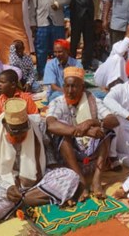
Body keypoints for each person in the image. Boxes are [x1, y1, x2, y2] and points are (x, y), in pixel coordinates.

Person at [0, 98, 80, 220]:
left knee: (71, 176)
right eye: (14, 133)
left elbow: (52, 136)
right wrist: (7, 189)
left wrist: (53, 166)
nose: (19, 137)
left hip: (38, 180)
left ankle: (23, 202)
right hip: (9, 187)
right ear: (5, 125)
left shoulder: (36, 124)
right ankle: (34, 199)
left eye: (23, 132)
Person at [46, 67, 119, 200]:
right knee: (61, 131)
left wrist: (92, 122)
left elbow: (114, 120)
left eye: (74, 86)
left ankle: (97, 180)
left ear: (82, 87)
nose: (69, 91)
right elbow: (50, 124)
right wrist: (81, 131)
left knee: (106, 130)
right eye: (67, 86)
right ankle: (81, 181)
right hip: (69, 158)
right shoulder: (57, 102)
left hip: (91, 156)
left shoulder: (93, 101)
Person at [28, 0, 71, 77]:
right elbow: (32, 3)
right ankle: (42, 73)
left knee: (59, 49)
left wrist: (58, 3)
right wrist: (32, 22)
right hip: (42, 21)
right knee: (41, 49)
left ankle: (58, 72)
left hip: (57, 21)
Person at [68, 0, 99, 70]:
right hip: (76, 13)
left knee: (88, 40)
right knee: (74, 40)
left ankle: (86, 63)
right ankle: (72, 63)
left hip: (89, 13)